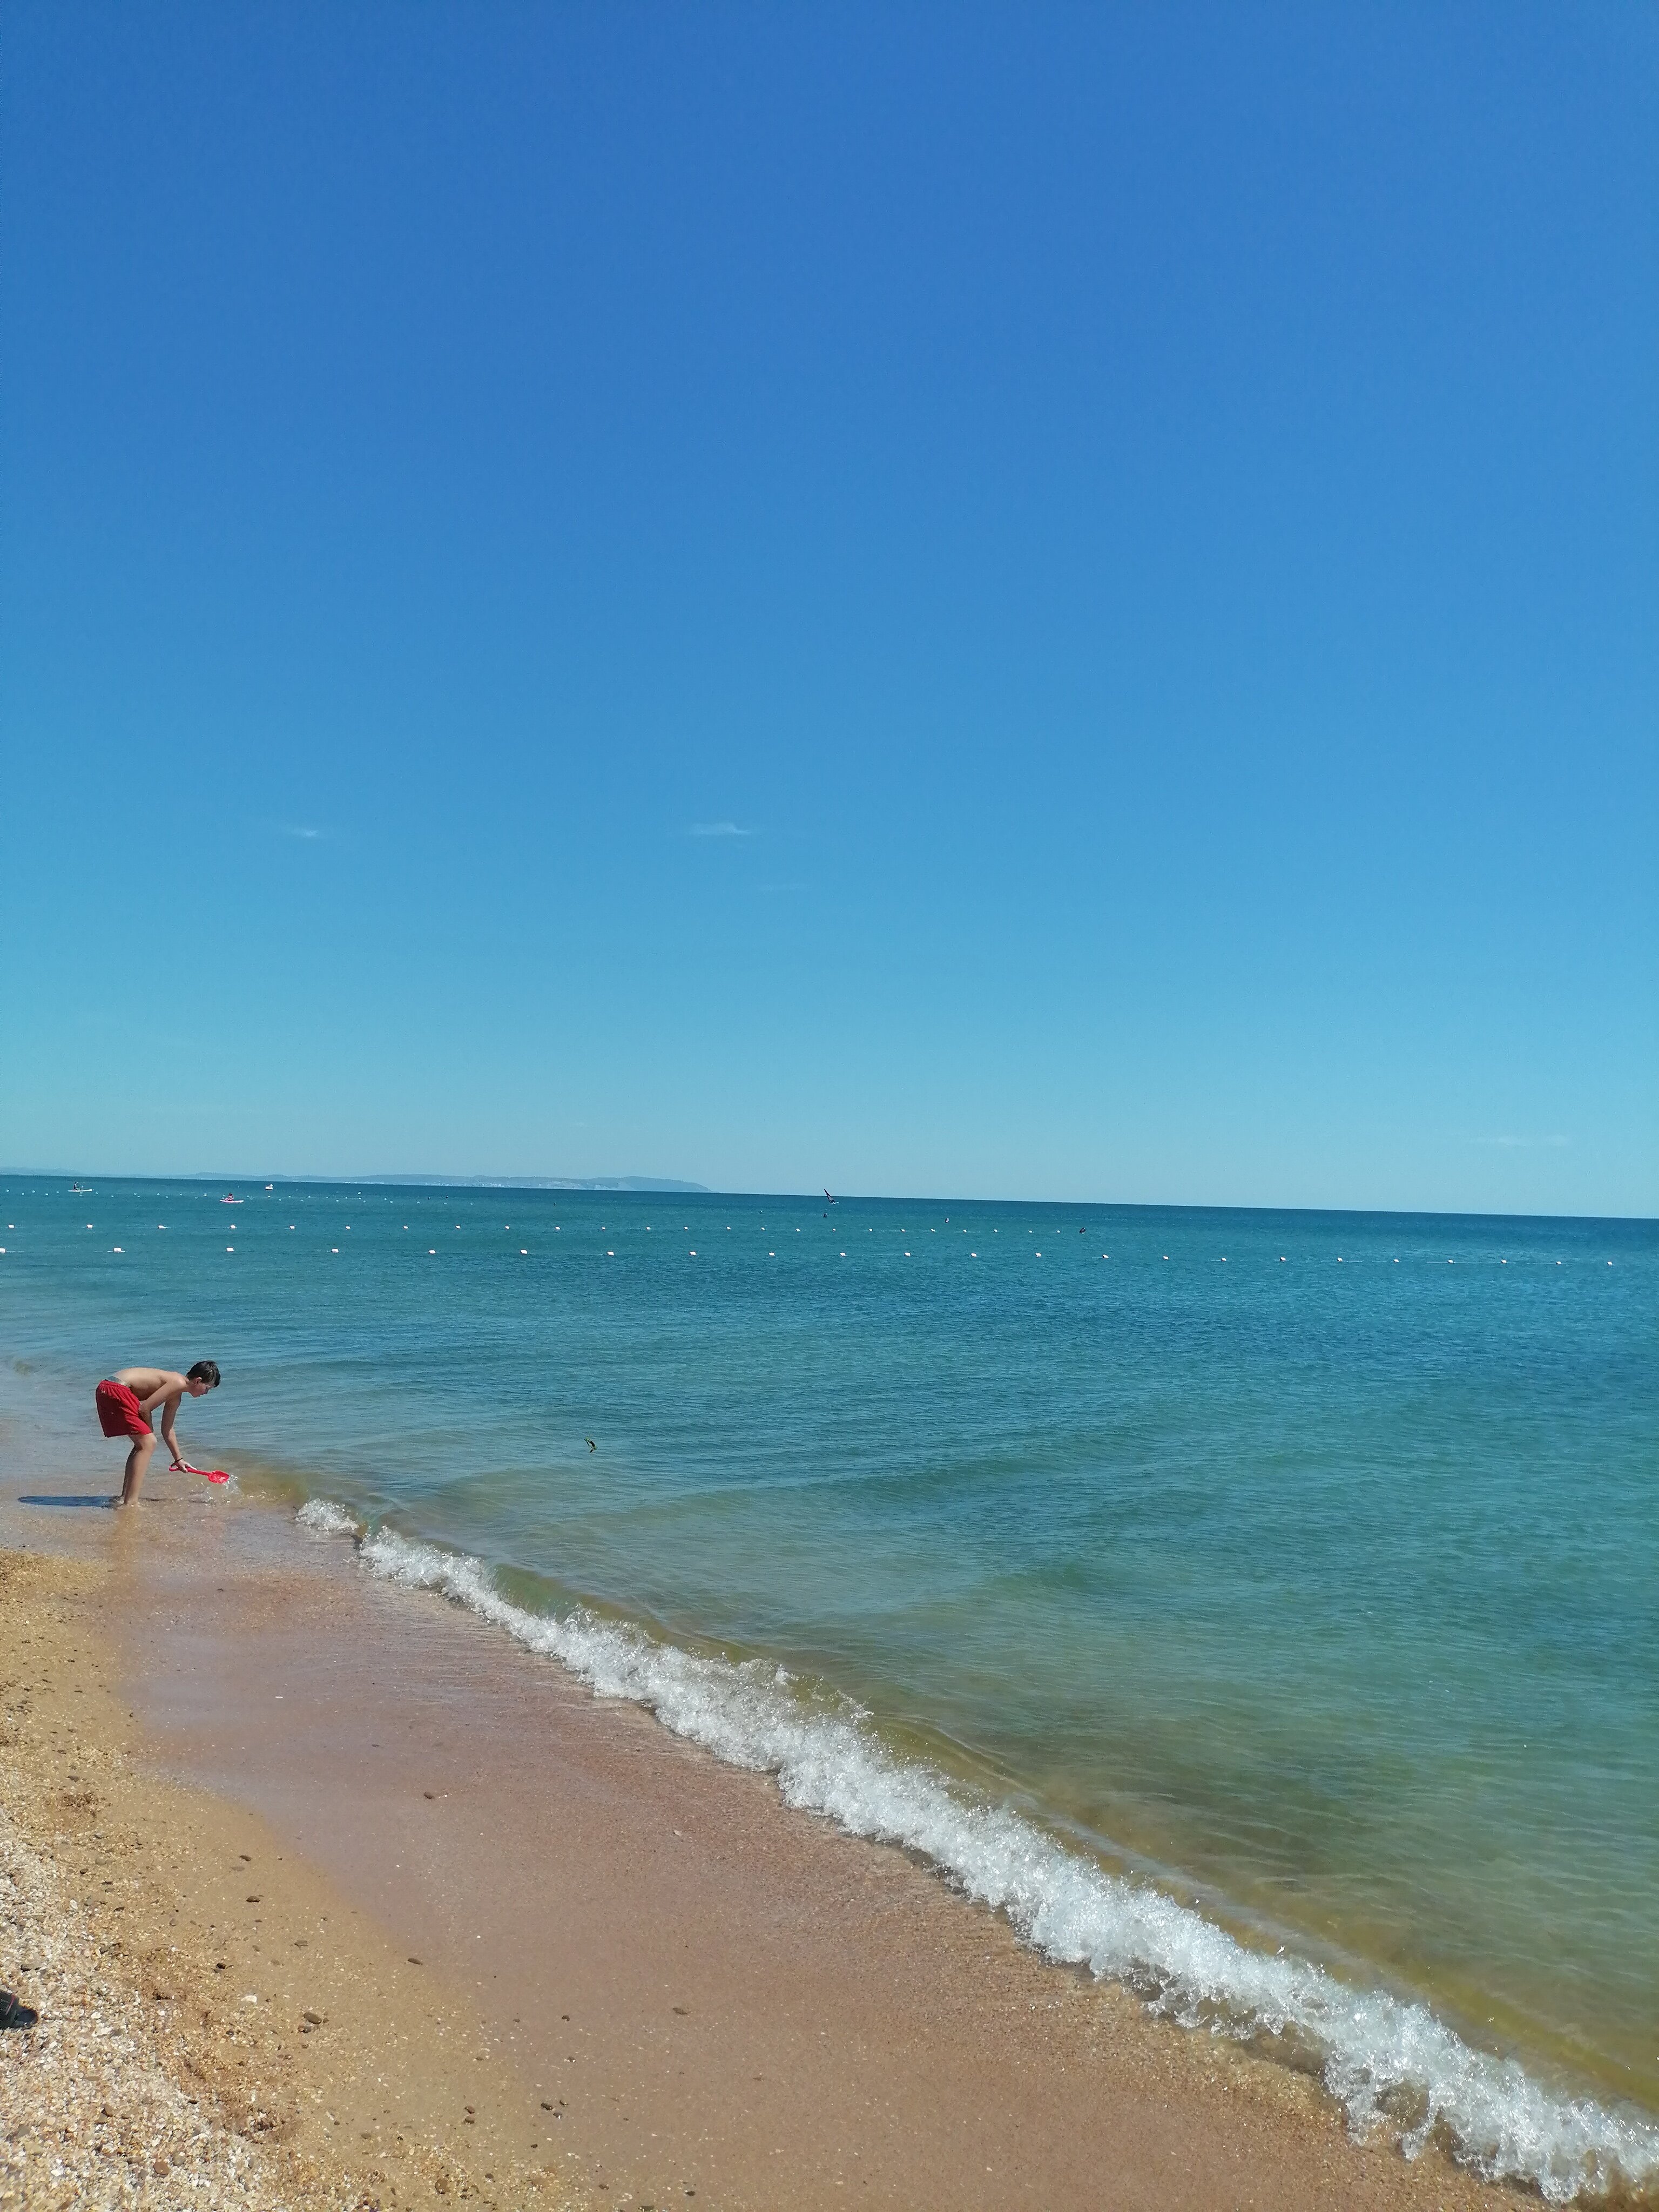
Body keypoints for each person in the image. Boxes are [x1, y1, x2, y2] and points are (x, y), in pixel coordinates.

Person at [95, 1362, 221, 1507]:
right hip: (116, 1389)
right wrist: (150, 1430)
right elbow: (145, 1408)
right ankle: (131, 1503)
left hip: (110, 1388)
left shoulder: (176, 1395)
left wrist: (179, 1459)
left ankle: (125, 1498)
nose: (206, 1393)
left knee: (142, 1445)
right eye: (207, 1389)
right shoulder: (178, 1382)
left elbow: (168, 1430)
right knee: (148, 1443)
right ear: (198, 1381)